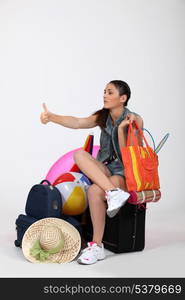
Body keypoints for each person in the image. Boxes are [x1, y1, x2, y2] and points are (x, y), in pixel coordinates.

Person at [40, 80, 143, 265]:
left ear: (123, 98)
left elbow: (130, 156)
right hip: (106, 169)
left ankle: (97, 245)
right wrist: (52, 117)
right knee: (80, 154)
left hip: (125, 173)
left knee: (94, 191)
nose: (104, 95)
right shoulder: (102, 116)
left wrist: (121, 130)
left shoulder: (135, 119)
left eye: (110, 92)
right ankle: (113, 193)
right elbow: (78, 122)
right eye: (104, 91)